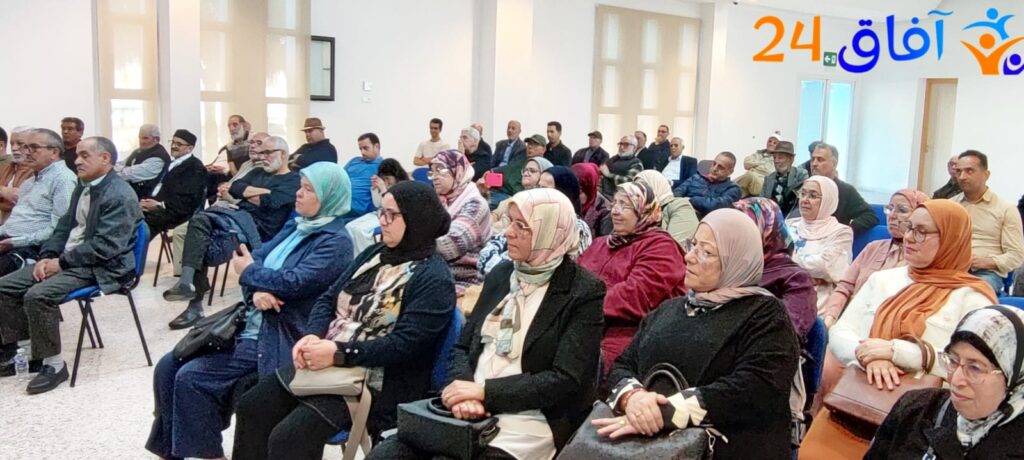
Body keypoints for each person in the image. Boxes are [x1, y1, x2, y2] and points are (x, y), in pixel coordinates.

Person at [368, 188, 605, 459]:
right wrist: (463, 391)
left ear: (550, 231)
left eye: (522, 226)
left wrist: (484, 393)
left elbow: (565, 379)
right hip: (470, 406)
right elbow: (461, 347)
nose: (508, 233)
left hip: (529, 419)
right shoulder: (503, 274)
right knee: (387, 454)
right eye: (510, 222)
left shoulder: (583, 291)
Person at [232, 181, 456, 460]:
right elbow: (328, 298)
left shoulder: (434, 277)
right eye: (381, 212)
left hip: (378, 379)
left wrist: (339, 353)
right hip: (331, 359)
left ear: (416, 219)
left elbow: (404, 345)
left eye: (391, 215)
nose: (382, 221)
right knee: (251, 406)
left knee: (288, 438)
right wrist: (313, 335)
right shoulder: (376, 254)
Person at [145, 162, 355, 460]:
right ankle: (172, 452)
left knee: (191, 377)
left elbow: (292, 282)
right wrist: (257, 290)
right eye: (300, 186)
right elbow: (253, 257)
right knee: (168, 366)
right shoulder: (297, 226)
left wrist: (252, 275)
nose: (299, 194)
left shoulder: (336, 242)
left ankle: (210, 456)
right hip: (250, 320)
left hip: (282, 332)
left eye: (309, 190)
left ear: (329, 197)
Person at [594, 208, 799, 460]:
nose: (689, 257)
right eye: (693, 245)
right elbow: (623, 365)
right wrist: (633, 398)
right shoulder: (670, 309)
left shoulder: (766, 316)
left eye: (706, 252)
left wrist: (665, 413)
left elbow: (754, 390)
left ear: (737, 261)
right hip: (645, 445)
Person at [801, 200, 998, 459]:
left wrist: (898, 353)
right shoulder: (883, 280)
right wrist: (869, 355)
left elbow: (976, 367)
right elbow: (840, 332)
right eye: (909, 228)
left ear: (952, 238)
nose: (909, 238)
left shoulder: (973, 298)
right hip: (857, 401)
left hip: (922, 421)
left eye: (922, 232)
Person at [0, 136, 141, 394]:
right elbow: (64, 226)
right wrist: (48, 255)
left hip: (103, 266)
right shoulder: (83, 185)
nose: (76, 161)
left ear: (105, 158)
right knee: (4, 287)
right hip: (71, 259)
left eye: (85, 155)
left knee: (38, 295)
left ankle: (54, 365)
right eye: (77, 155)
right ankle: (30, 352)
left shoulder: (120, 194)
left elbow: (106, 247)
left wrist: (61, 263)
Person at [163, 137, 301, 330]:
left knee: (203, 246)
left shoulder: (294, 180)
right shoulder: (257, 172)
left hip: (260, 230)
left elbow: (270, 201)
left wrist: (249, 192)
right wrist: (259, 192)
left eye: (267, 153)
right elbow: (235, 187)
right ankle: (187, 284)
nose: (262, 157)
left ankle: (194, 303)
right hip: (235, 218)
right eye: (261, 153)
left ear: (283, 154)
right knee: (198, 222)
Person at [865, 306, 1024, 459]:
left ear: (1014, 379)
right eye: (953, 361)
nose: (956, 380)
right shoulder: (916, 408)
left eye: (975, 368)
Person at [579, 182, 687, 371]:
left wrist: (582, 305)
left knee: (586, 363)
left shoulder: (661, 247)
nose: (615, 211)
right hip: (584, 321)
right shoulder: (601, 243)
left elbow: (635, 296)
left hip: (630, 332)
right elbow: (575, 278)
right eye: (614, 203)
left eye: (625, 205)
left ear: (644, 211)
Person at [820, 189, 929, 327]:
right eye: (890, 208)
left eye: (902, 210)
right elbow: (844, 287)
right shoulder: (873, 247)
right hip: (848, 321)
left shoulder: (922, 258)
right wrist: (830, 318)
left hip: (886, 327)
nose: (892, 216)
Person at [478, 166, 592, 276]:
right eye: (538, 186)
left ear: (563, 193)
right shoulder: (529, 217)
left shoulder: (576, 228)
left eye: (545, 189)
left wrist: (502, 268)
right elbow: (485, 255)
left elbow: (553, 269)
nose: (538, 192)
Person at [733, 197, 816, 339]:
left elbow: (782, 335)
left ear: (765, 231)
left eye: (741, 230)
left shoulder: (796, 280)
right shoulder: (728, 266)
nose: (731, 237)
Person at [0, 129, 76, 277]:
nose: (27, 152)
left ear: (54, 152)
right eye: (25, 147)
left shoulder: (63, 180)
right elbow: (16, 220)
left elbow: (59, 229)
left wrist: (15, 242)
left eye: (34, 148)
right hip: (9, 240)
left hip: (31, 247)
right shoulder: (30, 182)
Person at [952, 150, 1024, 294]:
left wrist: (986, 262)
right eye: (958, 171)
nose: (962, 177)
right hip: (950, 269)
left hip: (985, 273)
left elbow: (1016, 255)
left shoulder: (1005, 209)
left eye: (969, 171)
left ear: (986, 174)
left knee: (968, 293)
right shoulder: (950, 206)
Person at [430, 149, 492, 297]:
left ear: (458, 171)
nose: (434, 177)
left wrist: (412, 244)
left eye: (440, 170)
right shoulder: (440, 200)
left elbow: (451, 244)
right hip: (437, 271)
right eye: (432, 172)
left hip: (466, 277)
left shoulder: (476, 204)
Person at [787, 176, 853, 310]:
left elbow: (825, 266)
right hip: (784, 288)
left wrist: (787, 263)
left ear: (828, 200)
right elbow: (770, 260)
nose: (804, 200)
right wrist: (808, 274)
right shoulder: (789, 225)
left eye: (812, 196)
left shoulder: (841, 232)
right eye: (803, 194)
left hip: (820, 297)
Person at [790, 143, 879, 236]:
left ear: (834, 163)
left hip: (831, 239)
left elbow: (870, 216)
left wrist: (847, 229)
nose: (814, 164)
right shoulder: (805, 187)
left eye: (820, 160)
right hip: (802, 235)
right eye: (813, 159)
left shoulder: (846, 191)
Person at [141, 129, 208, 237]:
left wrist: (159, 205)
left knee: (140, 225)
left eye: (179, 144)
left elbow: (186, 200)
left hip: (175, 212)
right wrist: (144, 201)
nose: (173, 146)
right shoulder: (172, 163)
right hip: (155, 206)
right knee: (128, 214)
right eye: (173, 142)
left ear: (190, 148)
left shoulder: (195, 167)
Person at [345, 159, 409, 256]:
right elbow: (377, 204)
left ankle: (368, 257)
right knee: (349, 227)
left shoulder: (403, 185)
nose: (386, 181)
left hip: (392, 215)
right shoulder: (383, 185)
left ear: (396, 176)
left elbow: (393, 206)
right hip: (379, 212)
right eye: (384, 178)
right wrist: (374, 189)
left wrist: (383, 190)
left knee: (362, 231)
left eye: (388, 178)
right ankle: (356, 257)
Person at [483, 134, 547, 209]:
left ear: (543, 149)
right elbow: (506, 170)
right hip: (497, 189)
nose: (530, 147)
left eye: (535, 144)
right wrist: (490, 174)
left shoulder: (544, 166)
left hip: (512, 196)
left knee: (480, 204)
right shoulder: (521, 159)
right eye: (529, 144)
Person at [635, 170, 698, 245]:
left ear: (657, 185)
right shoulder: (640, 214)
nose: (639, 192)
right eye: (636, 188)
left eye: (644, 186)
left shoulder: (680, 206)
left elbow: (674, 246)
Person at [672, 151, 741, 218]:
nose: (715, 168)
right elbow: (678, 191)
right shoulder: (696, 177)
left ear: (730, 171)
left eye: (720, 167)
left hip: (703, 218)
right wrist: (681, 202)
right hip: (679, 208)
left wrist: (691, 200)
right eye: (714, 164)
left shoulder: (733, 189)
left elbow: (716, 206)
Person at [118, 123, 170, 198]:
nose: (141, 141)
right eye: (140, 138)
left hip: (147, 200)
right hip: (131, 196)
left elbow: (130, 174)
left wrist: (112, 172)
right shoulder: (138, 151)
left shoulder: (159, 157)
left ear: (157, 139)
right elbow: (120, 164)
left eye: (145, 138)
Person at [760, 140, 809, 216]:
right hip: (771, 217)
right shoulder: (768, 178)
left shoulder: (800, 175)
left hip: (792, 217)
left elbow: (800, 201)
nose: (776, 161)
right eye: (774, 157)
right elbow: (761, 202)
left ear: (791, 159)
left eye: (780, 158)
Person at [0, 127, 39, 223]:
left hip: (22, 225)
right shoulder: (5, 166)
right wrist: (3, 191)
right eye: (12, 144)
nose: (14, 148)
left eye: (20, 144)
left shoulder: (37, 171)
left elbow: (19, 203)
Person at [343, 132, 385, 220]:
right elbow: (339, 177)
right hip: (340, 201)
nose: (362, 152)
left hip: (358, 208)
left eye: (366, 148)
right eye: (360, 149)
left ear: (376, 146)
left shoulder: (383, 166)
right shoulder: (354, 161)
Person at [573, 162, 612, 239]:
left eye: (580, 191)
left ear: (589, 189)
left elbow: (603, 242)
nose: (575, 195)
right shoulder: (567, 201)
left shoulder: (604, 210)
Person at [599, 135, 643, 201]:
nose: (621, 147)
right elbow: (602, 168)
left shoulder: (636, 163)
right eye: (620, 144)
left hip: (618, 198)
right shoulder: (614, 158)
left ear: (634, 148)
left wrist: (609, 175)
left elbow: (629, 182)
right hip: (602, 193)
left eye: (626, 144)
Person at [736, 131, 781, 198]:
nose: (771, 144)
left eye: (775, 143)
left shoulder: (777, 158)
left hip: (762, 183)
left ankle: (728, 186)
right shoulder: (759, 153)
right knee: (739, 192)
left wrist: (753, 166)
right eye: (770, 141)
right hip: (749, 181)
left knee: (750, 175)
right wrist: (762, 163)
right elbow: (746, 163)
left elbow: (769, 171)